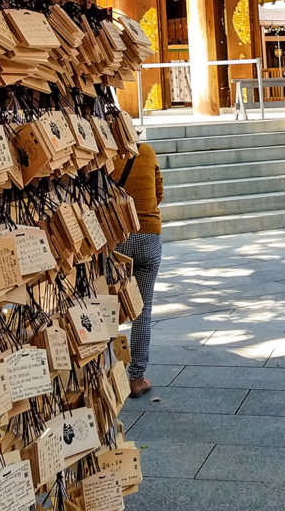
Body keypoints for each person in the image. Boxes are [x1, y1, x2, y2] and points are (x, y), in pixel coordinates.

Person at [115, 142, 164, 397]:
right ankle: (137, 378)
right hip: (149, 234)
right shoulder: (147, 152)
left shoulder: (108, 155)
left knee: (110, 307)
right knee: (142, 310)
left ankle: (107, 375)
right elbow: (159, 192)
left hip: (119, 236)